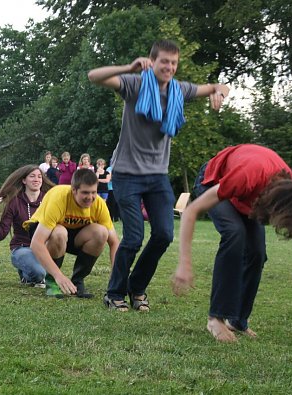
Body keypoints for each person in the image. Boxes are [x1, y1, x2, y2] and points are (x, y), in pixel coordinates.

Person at [88, 39, 230, 311]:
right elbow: (94, 76)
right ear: (153, 62)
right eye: (164, 61)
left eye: (174, 62)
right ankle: (114, 292)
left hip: (157, 176)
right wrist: (129, 67)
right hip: (127, 173)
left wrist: (220, 93)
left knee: (164, 234)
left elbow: (219, 86)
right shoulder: (135, 84)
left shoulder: (179, 90)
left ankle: (136, 287)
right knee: (132, 237)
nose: (170, 67)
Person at [172, 144, 292, 342]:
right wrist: (184, 264)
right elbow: (191, 211)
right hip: (213, 180)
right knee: (235, 232)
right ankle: (215, 318)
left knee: (257, 252)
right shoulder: (247, 176)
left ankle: (237, 321)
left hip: (250, 194)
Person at [24, 168, 119, 298]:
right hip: (46, 232)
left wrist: (116, 278)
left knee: (101, 232)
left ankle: (77, 282)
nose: (90, 198)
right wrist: (59, 275)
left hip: (74, 236)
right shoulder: (58, 197)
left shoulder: (99, 203)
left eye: (93, 192)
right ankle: (52, 282)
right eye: (85, 192)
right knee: (59, 233)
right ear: (74, 190)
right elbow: (36, 243)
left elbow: (114, 242)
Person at [0, 165, 54, 288]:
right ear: (24, 180)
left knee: (43, 275)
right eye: (32, 176)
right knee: (40, 274)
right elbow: (0, 235)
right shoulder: (14, 202)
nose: (36, 179)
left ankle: (26, 272)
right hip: (22, 248)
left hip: (45, 249)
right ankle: (29, 268)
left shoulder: (50, 199)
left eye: (39, 177)